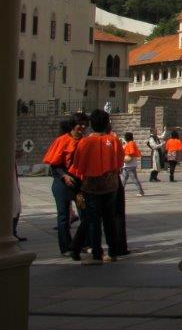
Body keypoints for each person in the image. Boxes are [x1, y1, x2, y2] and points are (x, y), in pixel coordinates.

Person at [70, 109, 124, 264]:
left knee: (93, 220)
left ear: (91, 124)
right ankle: (112, 252)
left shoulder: (85, 142)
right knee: (109, 219)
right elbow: (119, 163)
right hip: (110, 185)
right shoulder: (114, 140)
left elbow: (78, 164)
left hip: (91, 186)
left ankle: (96, 254)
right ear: (107, 123)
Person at [42, 114, 88, 255]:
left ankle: (83, 244)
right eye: (80, 124)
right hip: (62, 184)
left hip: (79, 185)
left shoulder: (86, 142)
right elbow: (54, 164)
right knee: (63, 217)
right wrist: (64, 176)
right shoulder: (61, 141)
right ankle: (66, 247)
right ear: (73, 125)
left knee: (85, 214)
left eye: (85, 124)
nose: (83, 127)